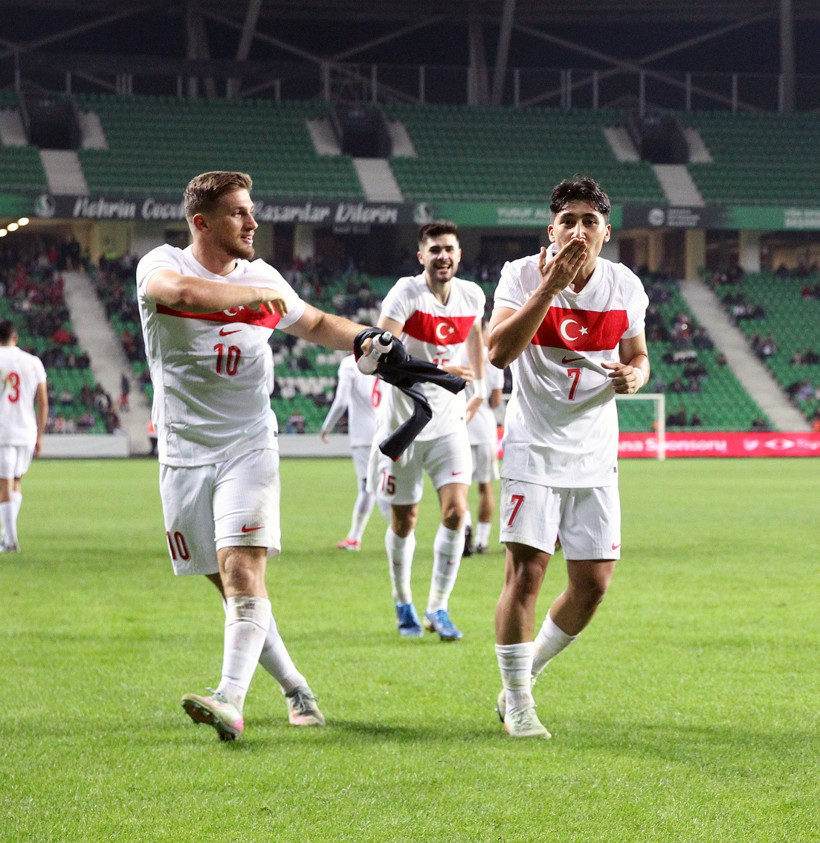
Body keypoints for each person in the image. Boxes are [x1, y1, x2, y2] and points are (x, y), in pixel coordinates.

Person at [136, 171, 371, 741]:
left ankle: (229, 699)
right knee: (235, 593)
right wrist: (259, 298)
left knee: (244, 573)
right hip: (183, 453)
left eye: (251, 210)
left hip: (249, 445)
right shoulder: (160, 264)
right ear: (202, 222)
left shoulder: (264, 276)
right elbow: (183, 296)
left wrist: (365, 338)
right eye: (239, 213)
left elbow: (312, 322)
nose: (252, 222)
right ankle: (297, 689)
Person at [487, 176, 649, 738]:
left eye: (590, 222)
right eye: (568, 222)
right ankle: (519, 705)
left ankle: (521, 677)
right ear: (550, 231)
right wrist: (548, 288)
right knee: (526, 573)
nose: (578, 231)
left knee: (594, 584)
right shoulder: (519, 275)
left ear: (606, 232)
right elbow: (500, 351)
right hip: (533, 441)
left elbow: (639, 355)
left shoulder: (625, 285)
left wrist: (635, 375)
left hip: (595, 448)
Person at [367, 220, 485, 640]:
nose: (443, 256)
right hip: (406, 425)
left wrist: (479, 385)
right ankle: (403, 602)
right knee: (406, 520)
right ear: (422, 256)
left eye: (449, 248)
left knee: (457, 512)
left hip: (449, 424)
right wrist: (441, 371)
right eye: (434, 249)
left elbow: (476, 337)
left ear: (459, 254)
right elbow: (382, 357)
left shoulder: (472, 295)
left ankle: (439, 606)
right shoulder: (405, 293)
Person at [321, 354, 390, 550]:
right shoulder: (382, 361)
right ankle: (354, 537)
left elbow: (342, 400)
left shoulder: (350, 364)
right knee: (370, 487)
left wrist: (327, 426)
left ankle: (400, 533)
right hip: (385, 429)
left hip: (364, 435)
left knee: (375, 486)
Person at [0, 319, 49, 552]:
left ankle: (10, 541)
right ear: (15, 337)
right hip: (26, 431)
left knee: (4, 485)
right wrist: (40, 434)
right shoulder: (33, 362)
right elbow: (43, 401)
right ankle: (7, 535)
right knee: (16, 481)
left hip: (2, 431)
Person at [459, 322, 505, 557]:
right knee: (486, 486)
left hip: (460, 426)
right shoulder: (493, 360)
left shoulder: (457, 353)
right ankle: (482, 541)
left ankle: (465, 529)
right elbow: (496, 401)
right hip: (485, 427)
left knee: (460, 487)